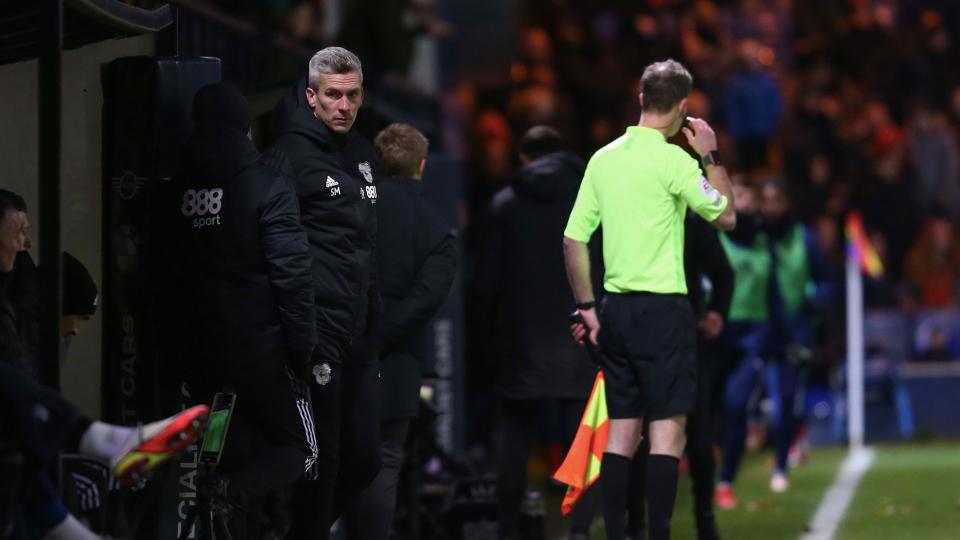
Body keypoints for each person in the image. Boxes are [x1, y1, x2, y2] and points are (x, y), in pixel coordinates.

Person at [563, 59, 736, 540]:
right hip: (664, 311)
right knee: (667, 431)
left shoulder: (603, 159)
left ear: (641, 99)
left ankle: (619, 535)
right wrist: (710, 156)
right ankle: (657, 533)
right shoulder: (675, 161)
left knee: (621, 431)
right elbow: (726, 217)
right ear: (683, 108)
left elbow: (573, 242)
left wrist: (588, 308)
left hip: (615, 311)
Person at [0, 190, 210, 539]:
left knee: (20, 441)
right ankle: (103, 441)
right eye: (19, 230)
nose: (28, 241)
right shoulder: (21, 305)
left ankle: (99, 454)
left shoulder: (15, 294)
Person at [171, 82, 319, 520]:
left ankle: (219, 490)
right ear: (245, 128)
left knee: (224, 447)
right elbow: (292, 276)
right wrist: (301, 349)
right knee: (301, 450)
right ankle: (229, 490)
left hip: (201, 356)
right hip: (262, 354)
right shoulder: (265, 184)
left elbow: (164, 274)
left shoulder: (172, 188)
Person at [270, 46, 383, 539]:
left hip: (358, 329)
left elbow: (366, 242)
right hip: (317, 329)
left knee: (366, 458)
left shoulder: (361, 154)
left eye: (352, 95)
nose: (344, 105)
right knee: (325, 459)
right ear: (311, 97)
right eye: (333, 95)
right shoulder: (289, 157)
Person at [476, 125, 599, 540]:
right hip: (578, 335)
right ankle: (580, 529)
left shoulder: (505, 204)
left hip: (520, 340)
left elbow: (487, 281)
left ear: (524, 158)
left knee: (512, 438)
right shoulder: (590, 199)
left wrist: (486, 340)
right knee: (581, 438)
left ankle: (508, 529)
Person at [343, 123, 457, 539]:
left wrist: (356, 335)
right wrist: (380, 336)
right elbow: (425, 301)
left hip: (341, 357)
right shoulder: (437, 231)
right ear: (422, 167)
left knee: (336, 458)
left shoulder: (347, 209)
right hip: (396, 366)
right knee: (385, 460)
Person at [626, 212, 733, 540]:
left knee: (693, 438)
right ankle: (638, 526)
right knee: (640, 439)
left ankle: (703, 519)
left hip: (683, 337)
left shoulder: (688, 217)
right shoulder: (629, 211)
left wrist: (716, 313)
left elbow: (723, 271)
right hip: (642, 336)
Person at [758, 179, 835, 492]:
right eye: (767, 201)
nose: (771, 208)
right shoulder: (752, 237)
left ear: (786, 203)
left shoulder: (804, 239)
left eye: (777, 200)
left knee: (785, 397)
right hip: (756, 328)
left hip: (793, 330)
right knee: (747, 399)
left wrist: (811, 300)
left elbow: (827, 280)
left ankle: (781, 462)